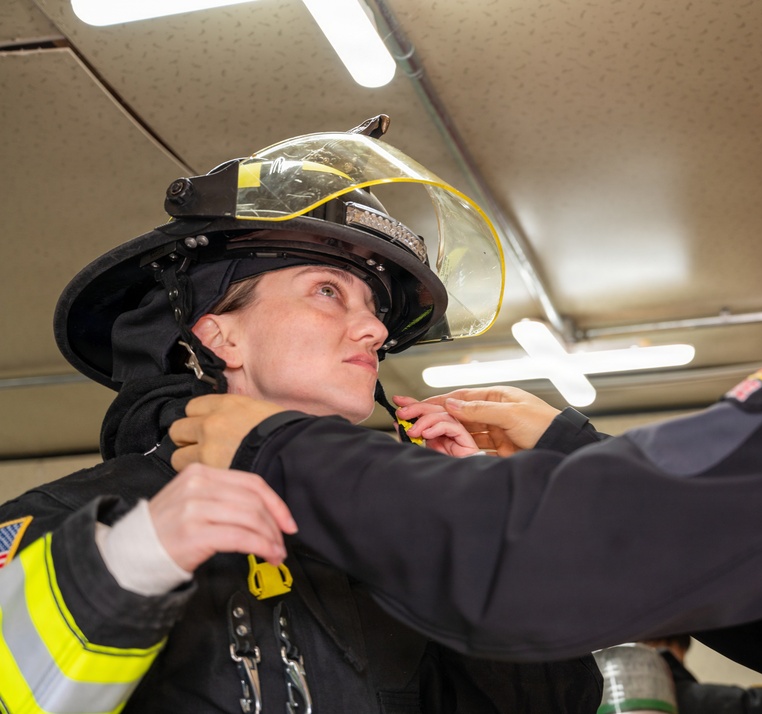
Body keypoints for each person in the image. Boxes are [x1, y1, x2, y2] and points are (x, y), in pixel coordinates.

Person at [167, 0, 762, 710]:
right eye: (326, 293)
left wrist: (281, 448)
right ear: (215, 331)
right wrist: (566, 451)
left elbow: (558, 560)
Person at [0, 117, 602, 713]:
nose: (374, 328)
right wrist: (129, 562)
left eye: (375, 308)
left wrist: (469, 539)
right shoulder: (68, 520)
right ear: (219, 336)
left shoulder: (384, 536)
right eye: (327, 291)